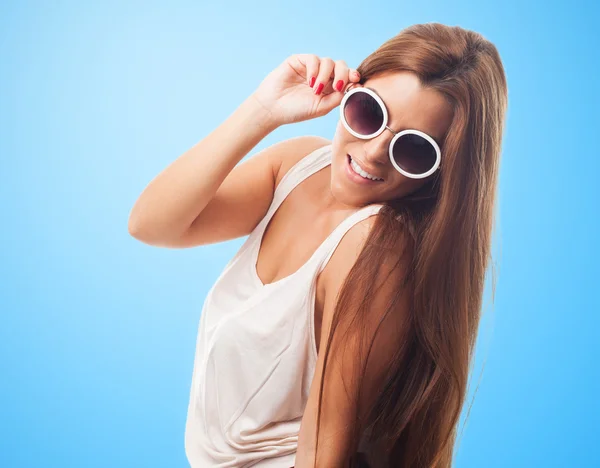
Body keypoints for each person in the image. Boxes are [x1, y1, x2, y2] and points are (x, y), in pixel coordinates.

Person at [128, 22, 508, 468]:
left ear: (445, 172)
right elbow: (152, 225)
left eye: (414, 149)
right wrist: (263, 109)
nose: (371, 154)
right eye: (369, 113)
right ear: (349, 94)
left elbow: (325, 447)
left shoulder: (375, 246)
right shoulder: (297, 164)